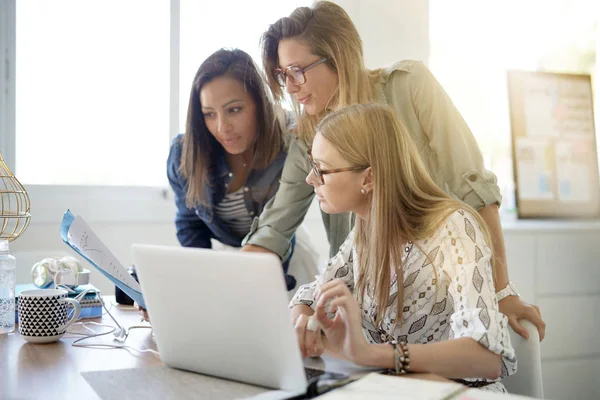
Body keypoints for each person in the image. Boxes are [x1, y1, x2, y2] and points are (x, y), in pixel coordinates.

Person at [242, 1, 545, 340]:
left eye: (297, 70)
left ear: (338, 56)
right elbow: (275, 227)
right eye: (284, 75)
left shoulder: (409, 86)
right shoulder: (307, 138)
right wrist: (223, 293)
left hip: (436, 299)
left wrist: (501, 291)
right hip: (363, 311)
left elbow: (474, 189)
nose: (292, 87)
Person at [291, 103, 516, 392]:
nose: (311, 179)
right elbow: (310, 296)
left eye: (320, 169)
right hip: (395, 390)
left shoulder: (454, 227)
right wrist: (303, 323)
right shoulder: (365, 227)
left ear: (368, 178)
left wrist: (371, 355)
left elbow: (486, 358)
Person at [167, 48, 296, 290]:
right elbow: (189, 225)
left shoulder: (287, 144)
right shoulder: (184, 155)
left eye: (234, 110)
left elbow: (280, 228)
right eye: (209, 114)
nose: (222, 127)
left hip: (280, 255)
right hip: (220, 257)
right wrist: (204, 280)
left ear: (259, 103)